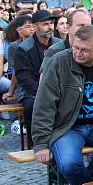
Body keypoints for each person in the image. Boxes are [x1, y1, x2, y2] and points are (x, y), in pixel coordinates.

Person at [32, 26, 93, 185]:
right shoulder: (59, 62)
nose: (77, 53)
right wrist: (41, 144)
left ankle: (79, 182)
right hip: (68, 127)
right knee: (69, 164)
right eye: (75, 47)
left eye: (84, 50)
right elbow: (44, 105)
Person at [15, 9, 61, 147]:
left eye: (51, 23)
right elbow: (24, 77)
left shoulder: (60, 44)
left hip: (57, 88)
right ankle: (35, 142)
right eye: (45, 24)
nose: (49, 27)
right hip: (32, 91)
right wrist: (43, 93)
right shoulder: (24, 48)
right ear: (34, 27)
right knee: (32, 106)